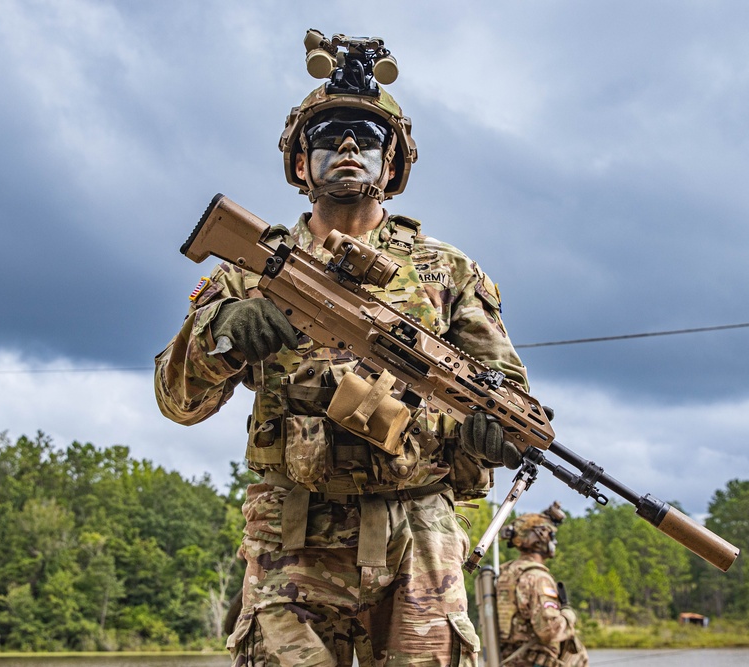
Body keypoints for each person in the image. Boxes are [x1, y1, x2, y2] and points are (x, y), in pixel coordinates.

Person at [154, 31, 528, 667]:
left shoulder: (446, 271)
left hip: (419, 536)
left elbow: (504, 391)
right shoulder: (253, 269)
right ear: (302, 164)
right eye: (329, 137)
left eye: (368, 138)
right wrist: (226, 335)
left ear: (392, 165)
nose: (349, 147)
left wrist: (493, 433)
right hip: (292, 535)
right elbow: (176, 401)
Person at [496, 503, 589, 667]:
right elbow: (549, 630)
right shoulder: (537, 578)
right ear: (538, 539)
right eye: (551, 536)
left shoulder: (506, 573)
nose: (554, 541)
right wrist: (568, 615)